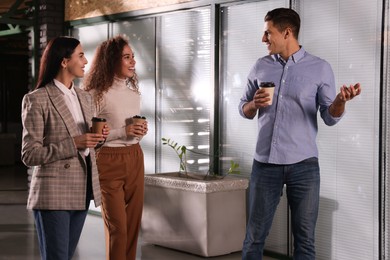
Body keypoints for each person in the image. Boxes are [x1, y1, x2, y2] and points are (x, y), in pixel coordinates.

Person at [239, 8, 361, 260]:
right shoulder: (260, 66)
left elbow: (330, 116)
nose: (264, 39)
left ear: (287, 32)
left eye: (268, 33)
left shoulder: (319, 68)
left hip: (303, 166)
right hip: (265, 165)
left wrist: (340, 100)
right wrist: (254, 104)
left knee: (305, 242)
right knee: (254, 238)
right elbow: (244, 109)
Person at [21, 36, 109, 260]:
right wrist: (74, 144)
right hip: (53, 194)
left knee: (66, 257)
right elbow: (29, 154)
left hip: (81, 191)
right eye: (80, 55)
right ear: (63, 61)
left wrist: (98, 138)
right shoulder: (37, 99)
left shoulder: (85, 98)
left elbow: (87, 146)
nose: (86, 61)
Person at [83, 35, 148, 260]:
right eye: (126, 57)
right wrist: (123, 132)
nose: (133, 62)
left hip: (134, 158)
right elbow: (92, 138)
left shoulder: (134, 95)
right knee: (118, 228)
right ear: (112, 61)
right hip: (107, 161)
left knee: (131, 226)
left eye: (133, 57)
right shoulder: (95, 96)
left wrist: (139, 133)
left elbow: (132, 133)